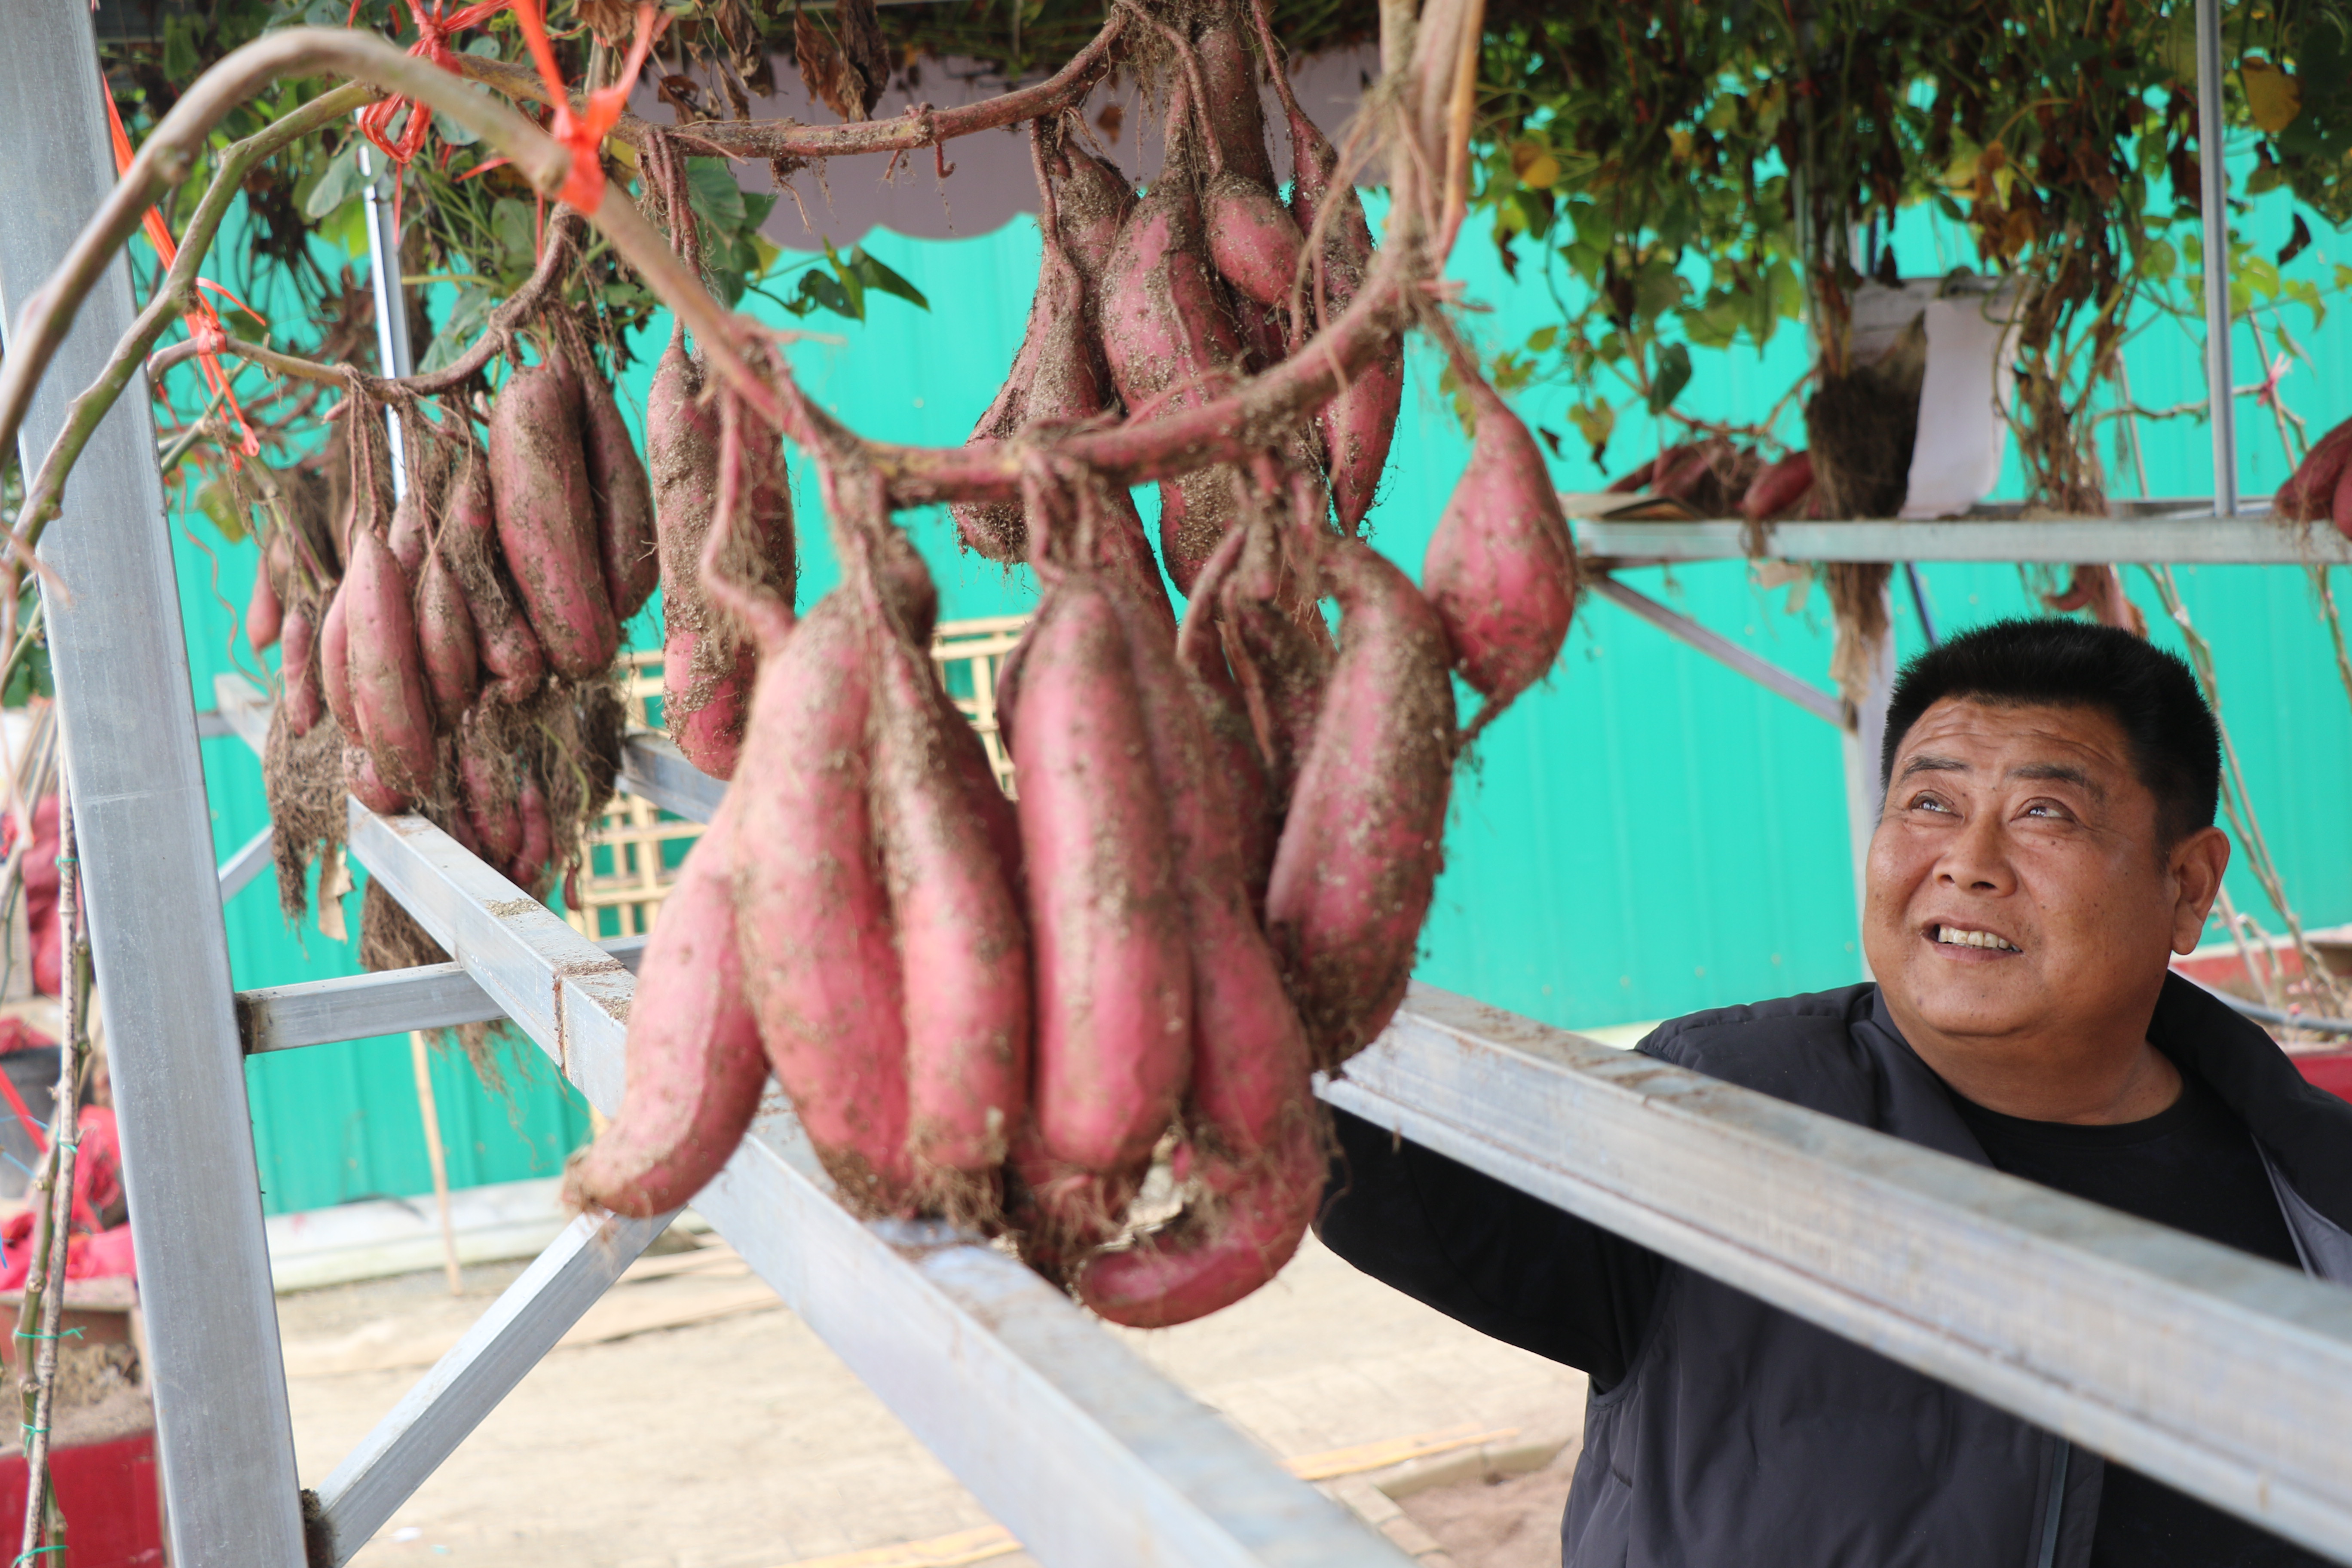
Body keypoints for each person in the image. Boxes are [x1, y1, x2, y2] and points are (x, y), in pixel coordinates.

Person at [1319, 617, 2352, 1568]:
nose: (1968, 864)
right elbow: (1370, 1172)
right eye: (1930, 803)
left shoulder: (2315, 1181)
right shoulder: (1719, 1111)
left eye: (2045, 812)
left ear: (2188, 886)